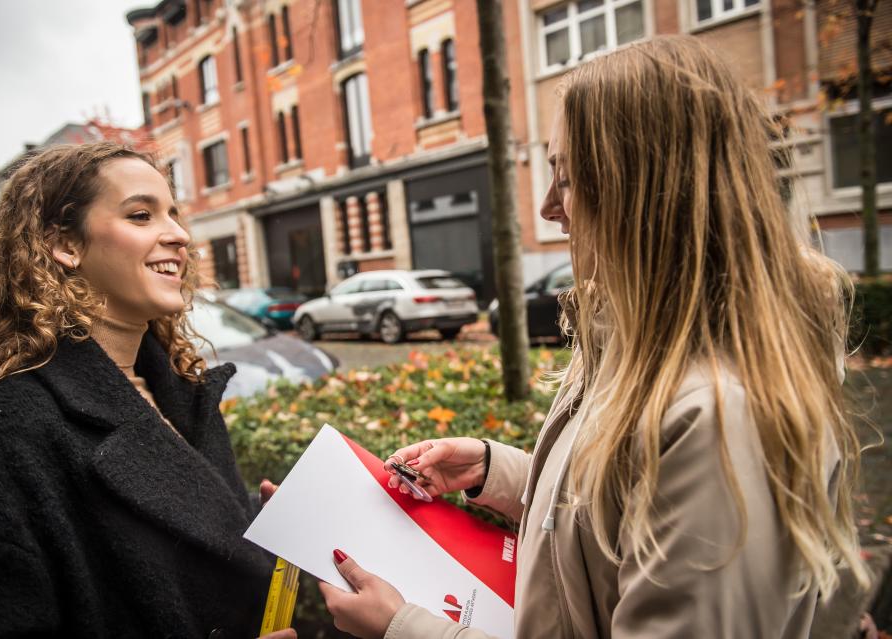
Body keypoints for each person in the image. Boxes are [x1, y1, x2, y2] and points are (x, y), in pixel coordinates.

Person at [318, 36, 870, 638]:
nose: (551, 206)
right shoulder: (646, 343)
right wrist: (491, 471)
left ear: (650, 194)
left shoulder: (718, 417)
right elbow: (618, 515)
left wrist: (402, 627)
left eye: (568, 177)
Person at [0, 142, 295, 639]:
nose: (180, 235)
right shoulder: (5, 435)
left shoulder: (177, 389)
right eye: (142, 215)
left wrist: (268, 517)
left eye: (173, 213)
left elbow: (187, 536)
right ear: (66, 244)